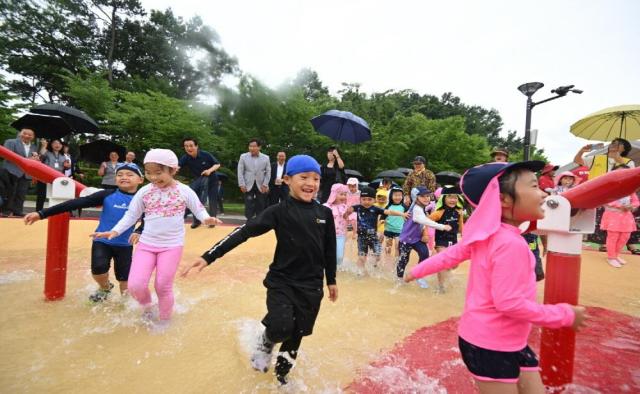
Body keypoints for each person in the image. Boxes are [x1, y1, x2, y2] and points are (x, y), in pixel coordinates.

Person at [405, 161, 587, 393]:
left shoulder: (489, 235)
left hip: (507, 341)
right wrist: (564, 315)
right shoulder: (509, 244)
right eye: (534, 186)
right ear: (503, 199)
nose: (543, 193)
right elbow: (509, 303)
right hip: (490, 344)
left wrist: (417, 270)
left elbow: (451, 255)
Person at [182, 155, 338, 385]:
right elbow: (244, 232)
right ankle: (266, 340)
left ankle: (282, 377)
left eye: (316, 178)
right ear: (287, 179)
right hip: (282, 281)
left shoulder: (324, 214)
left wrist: (331, 280)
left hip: (311, 285)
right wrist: (209, 256)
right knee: (282, 326)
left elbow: (329, 249)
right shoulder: (278, 211)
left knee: (297, 334)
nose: (311, 183)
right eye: (304, 177)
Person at [92, 149, 222, 325]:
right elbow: (131, 215)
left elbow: (198, 209)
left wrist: (206, 219)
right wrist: (114, 231)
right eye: (148, 173)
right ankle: (148, 307)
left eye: (158, 173)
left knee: (162, 286)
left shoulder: (184, 191)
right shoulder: (145, 192)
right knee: (135, 285)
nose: (153, 177)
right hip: (146, 244)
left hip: (171, 246)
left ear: (173, 170)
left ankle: (165, 319)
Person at [24, 163, 145, 302]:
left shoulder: (142, 199)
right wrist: (42, 213)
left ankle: (125, 307)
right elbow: (74, 203)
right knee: (98, 270)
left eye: (129, 175)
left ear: (140, 180)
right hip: (101, 240)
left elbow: (149, 219)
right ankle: (105, 288)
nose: (124, 177)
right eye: (120, 174)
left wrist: (139, 230)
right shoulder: (107, 195)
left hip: (125, 245)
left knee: (125, 281)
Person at [575, 139, 636, 251]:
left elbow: (630, 176)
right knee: (602, 219)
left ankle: (628, 243)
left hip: (618, 196)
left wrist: (619, 159)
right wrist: (582, 151)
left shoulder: (628, 162)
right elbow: (578, 161)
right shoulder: (597, 157)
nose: (614, 145)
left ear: (624, 149)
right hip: (597, 194)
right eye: (613, 142)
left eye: (618, 144)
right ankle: (604, 243)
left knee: (624, 219)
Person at [346, 186, 408, 276]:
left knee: (378, 256)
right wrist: (346, 214)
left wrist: (402, 214)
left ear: (374, 200)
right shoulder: (358, 208)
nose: (366, 202)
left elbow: (389, 212)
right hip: (362, 238)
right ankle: (359, 273)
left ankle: (373, 267)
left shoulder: (376, 209)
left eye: (369, 199)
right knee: (361, 258)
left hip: (373, 237)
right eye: (364, 199)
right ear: (360, 199)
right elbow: (348, 211)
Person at [396, 186, 450, 287]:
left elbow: (423, 223)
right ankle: (399, 279)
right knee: (403, 260)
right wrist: (442, 227)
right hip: (406, 240)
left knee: (424, 254)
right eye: (423, 196)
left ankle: (419, 275)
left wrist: (424, 234)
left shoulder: (421, 208)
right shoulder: (416, 209)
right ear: (416, 198)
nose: (426, 198)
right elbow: (423, 221)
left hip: (416, 239)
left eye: (428, 196)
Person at [600, 166, 639, 268]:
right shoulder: (609, 186)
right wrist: (621, 206)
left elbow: (636, 201)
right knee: (613, 237)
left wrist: (632, 206)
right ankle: (611, 257)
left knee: (624, 237)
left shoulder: (630, 188)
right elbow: (606, 199)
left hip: (626, 217)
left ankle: (616, 255)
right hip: (613, 216)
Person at [178, 137, 221, 228]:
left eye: (191, 146)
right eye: (186, 146)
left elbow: (217, 164)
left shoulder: (205, 155)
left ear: (196, 146)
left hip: (212, 180)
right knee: (195, 200)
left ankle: (212, 221)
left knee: (213, 200)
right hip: (198, 182)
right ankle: (197, 221)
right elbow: (177, 167)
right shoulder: (185, 158)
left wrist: (209, 171)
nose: (189, 148)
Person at [429, 186, 465, 293]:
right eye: (450, 197)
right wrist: (425, 235)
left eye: (455, 197)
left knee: (454, 264)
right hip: (441, 241)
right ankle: (441, 287)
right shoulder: (439, 212)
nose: (453, 200)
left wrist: (464, 235)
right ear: (444, 199)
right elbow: (426, 222)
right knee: (443, 261)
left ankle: (441, 272)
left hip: (453, 241)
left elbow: (461, 225)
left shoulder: (459, 211)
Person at [2, 128, 39, 217]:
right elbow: (7, 156)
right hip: (11, 171)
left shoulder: (34, 147)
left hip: (26, 173)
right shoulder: (10, 142)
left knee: (21, 194)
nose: (27, 136)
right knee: (10, 193)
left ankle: (18, 211)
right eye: (24, 133)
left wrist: (36, 160)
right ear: (20, 134)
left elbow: (34, 160)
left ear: (33, 137)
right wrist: (27, 160)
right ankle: (6, 211)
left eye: (30, 135)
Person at [237, 138, 271, 219]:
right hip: (247, 184)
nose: (252, 148)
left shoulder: (266, 158)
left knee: (261, 204)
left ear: (259, 147)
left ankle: (259, 223)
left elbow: (268, 172)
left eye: (254, 146)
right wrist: (241, 184)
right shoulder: (243, 156)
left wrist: (265, 184)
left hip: (261, 184)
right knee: (249, 204)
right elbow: (240, 171)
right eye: (250, 146)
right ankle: (249, 222)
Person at [36, 139, 67, 211]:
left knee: (56, 196)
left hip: (57, 178)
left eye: (59, 143)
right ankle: (38, 211)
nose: (57, 145)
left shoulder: (63, 156)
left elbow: (64, 168)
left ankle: (54, 211)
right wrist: (44, 146)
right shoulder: (47, 152)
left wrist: (66, 166)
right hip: (45, 177)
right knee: (41, 195)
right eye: (55, 143)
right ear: (51, 144)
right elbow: (41, 156)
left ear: (62, 146)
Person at [324, 183, 349, 266]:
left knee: (339, 256)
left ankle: (338, 271)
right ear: (334, 194)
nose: (344, 197)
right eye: (341, 194)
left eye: (345, 194)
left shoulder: (345, 207)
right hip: (327, 235)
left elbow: (348, 220)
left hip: (340, 235)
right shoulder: (326, 207)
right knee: (326, 254)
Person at [382, 188, 406, 256]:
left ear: (402, 196)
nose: (398, 197)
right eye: (395, 195)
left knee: (397, 246)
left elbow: (409, 215)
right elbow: (383, 215)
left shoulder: (404, 207)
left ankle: (396, 262)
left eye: (400, 195)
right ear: (391, 196)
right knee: (388, 246)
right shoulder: (388, 206)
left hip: (399, 231)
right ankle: (387, 260)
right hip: (388, 229)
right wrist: (382, 220)